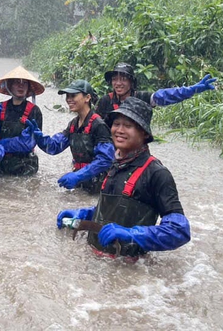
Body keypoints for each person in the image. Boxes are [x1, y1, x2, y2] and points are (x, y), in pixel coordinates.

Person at [57, 97, 191, 258]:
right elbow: (112, 211)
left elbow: (180, 230)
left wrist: (132, 234)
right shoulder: (115, 164)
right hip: (95, 262)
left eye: (128, 126)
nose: (119, 130)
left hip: (131, 269)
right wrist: (83, 215)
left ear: (144, 133)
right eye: (116, 124)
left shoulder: (157, 173)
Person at [31, 80, 113, 193]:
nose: (69, 99)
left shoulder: (99, 125)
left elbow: (106, 159)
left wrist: (79, 175)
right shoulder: (73, 124)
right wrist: (39, 137)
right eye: (67, 96)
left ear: (87, 97)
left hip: (98, 186)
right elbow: (55, 147)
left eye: (73, 95)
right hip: (81, 183)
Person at [96, 63, 217, 119]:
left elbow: (165, 96)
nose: (118, 83)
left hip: (135, 153)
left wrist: (191, 90)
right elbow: (95, 127)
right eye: (114, 79)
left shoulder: (142, 98)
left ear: (131, 82)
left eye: (123, 79)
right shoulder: (105, 101)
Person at [0, 66, 45, 176]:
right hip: (2, 163)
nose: (21, 86)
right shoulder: (0, 108)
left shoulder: (34, 111)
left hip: (26, 164)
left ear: (28, 88)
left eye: (24, 83)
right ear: (9, 86)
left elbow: (29, 143)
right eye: (17, 82)